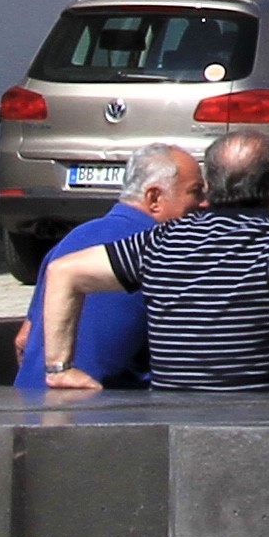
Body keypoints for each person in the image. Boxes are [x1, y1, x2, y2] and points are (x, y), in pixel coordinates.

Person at [35, 131, 269, 397]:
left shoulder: (161, 239)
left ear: (210, 184)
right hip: (258, 411)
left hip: (174, 417)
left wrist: (59, 369)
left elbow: (63, 271)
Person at [15, 142, 199, 389]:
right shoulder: (164, 252)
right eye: (196, 192)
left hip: (26, 408)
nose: (206, 203)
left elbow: (23, 340)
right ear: (154, 198)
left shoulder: (70, 242)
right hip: (102, 414)